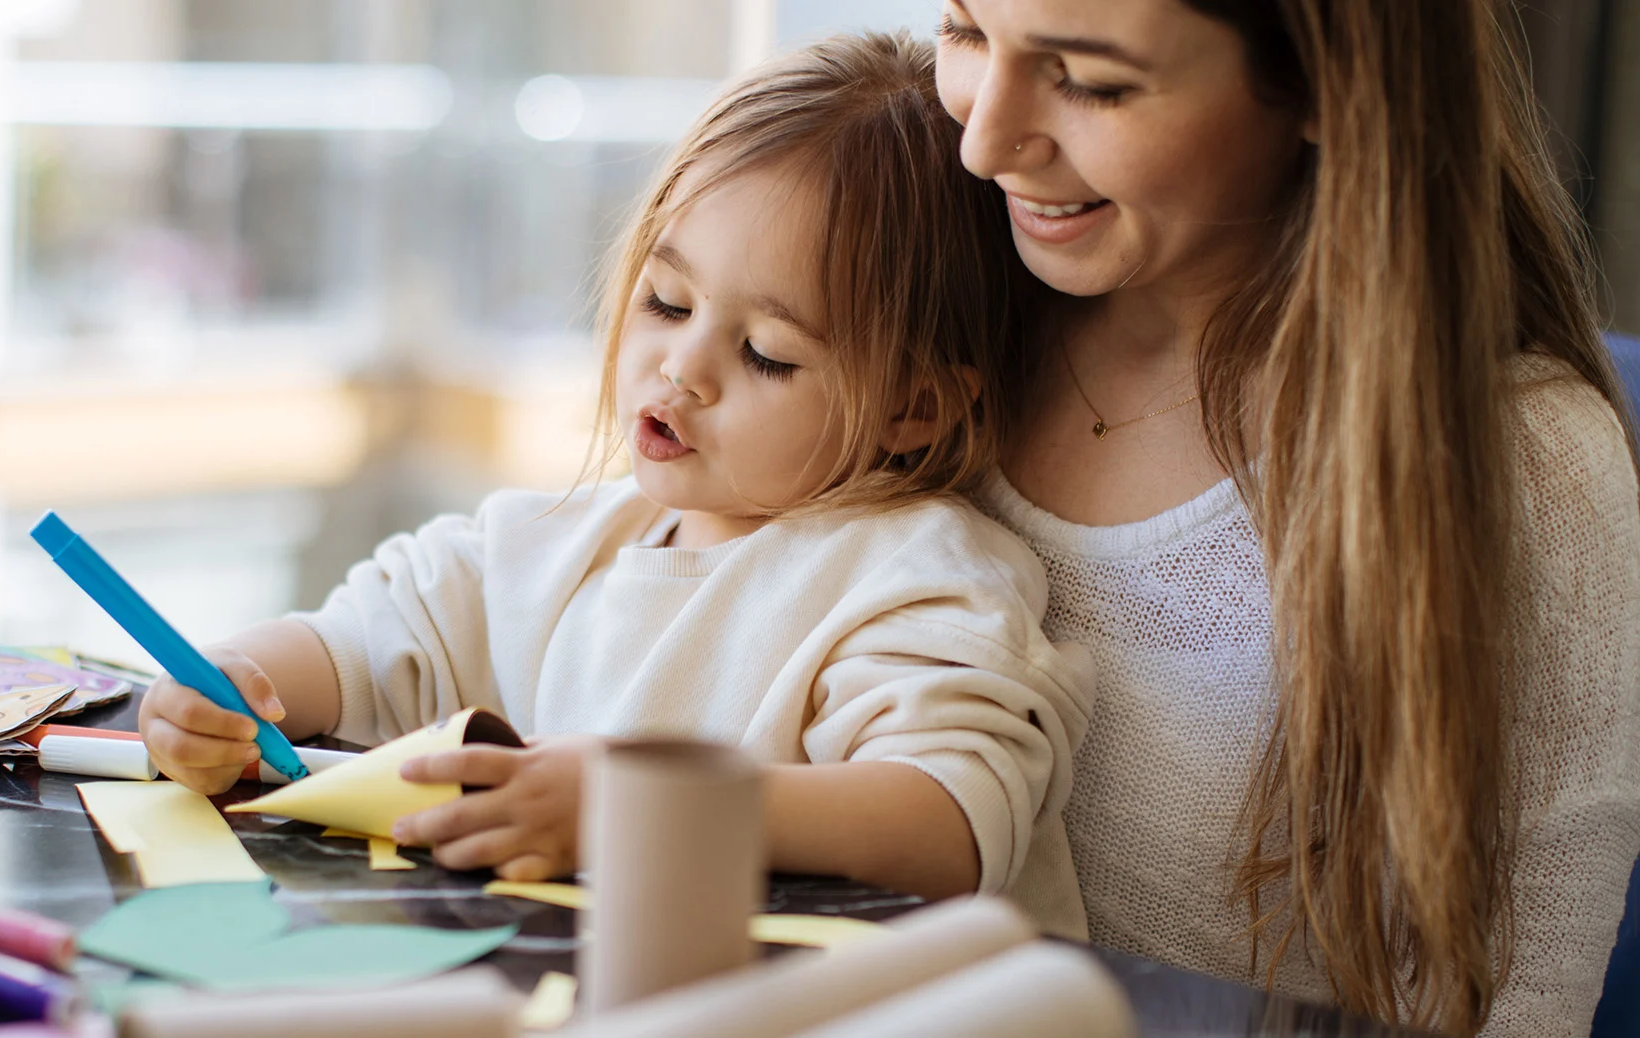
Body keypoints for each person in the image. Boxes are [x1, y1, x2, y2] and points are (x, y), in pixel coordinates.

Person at [139, 32, 1097, 929]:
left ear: (914, 409)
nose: (681, 367)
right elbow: (357, 640)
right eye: (665, 300)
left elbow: (945, 824)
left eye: (766, 354)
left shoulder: (913, 572)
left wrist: (633, 806)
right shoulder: (552, 544)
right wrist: (229, 688)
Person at [932, 1, 1640, 1035]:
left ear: (1323, 84)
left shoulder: (1514, 460)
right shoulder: (929, 316)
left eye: (1091, 80)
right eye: (963, 31)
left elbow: (1506, 1003)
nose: (982, 140)